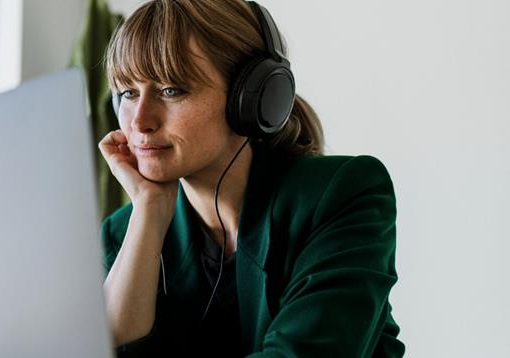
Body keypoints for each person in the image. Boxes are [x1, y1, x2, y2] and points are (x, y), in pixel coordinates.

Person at [97, 0, 404, 356]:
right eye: (129, 93)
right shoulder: (123, 234)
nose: (139, 122)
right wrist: (149, 208)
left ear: (251, 97)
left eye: (171, 90)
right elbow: (102, 345)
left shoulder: (341, 195)